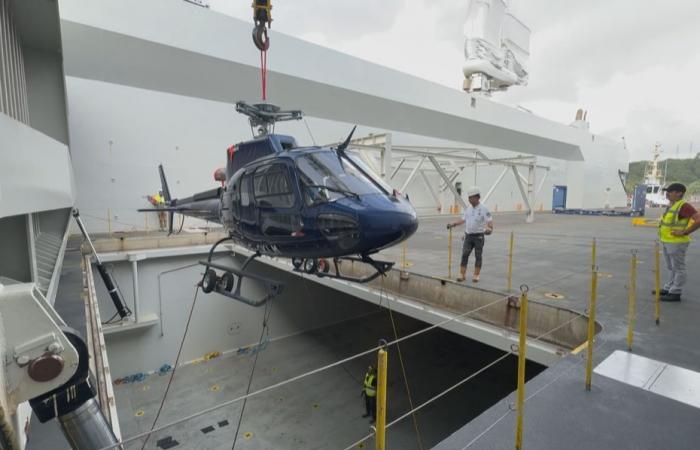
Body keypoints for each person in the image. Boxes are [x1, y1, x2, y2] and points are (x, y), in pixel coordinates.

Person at [657, 183, 700, 302]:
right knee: (672, 267)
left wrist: (685, 232)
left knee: (678, 268)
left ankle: (676, 292)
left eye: (670, 191)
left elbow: (698, 219)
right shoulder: (672, 205)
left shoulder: (684, 206)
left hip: (677, 243)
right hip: (668, 241)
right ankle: (670, 287)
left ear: (679, 193)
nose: (667, 193)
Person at [446, 186, 494, 282]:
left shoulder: (484, 209)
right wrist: (453, 224)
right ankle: (462, 274)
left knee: (478, 255)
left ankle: (476, 275)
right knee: (464, 254)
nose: (469, 199)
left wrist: (489, 229)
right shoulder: (468, 209)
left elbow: (489, 223)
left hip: (479, 236)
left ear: (477, 197)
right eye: (468, 197)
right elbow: (463, 220)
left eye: (471, 197)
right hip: (468, 236)